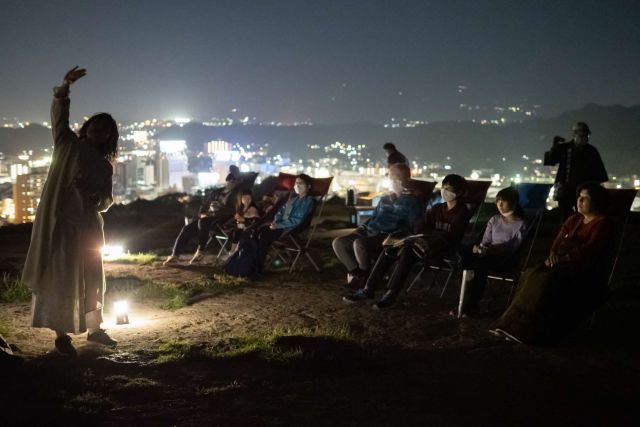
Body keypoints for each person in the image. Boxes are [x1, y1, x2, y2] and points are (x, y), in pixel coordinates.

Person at [21, 66, 119, 355]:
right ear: (87, 127)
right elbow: (58, 116)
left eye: (105, 130)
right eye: (96, 125)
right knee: (62, 277)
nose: (98, 131)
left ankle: (95, 330)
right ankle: (61, 335)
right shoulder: (66, 145)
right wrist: (65, 87)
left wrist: (91, 193)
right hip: (60, 225)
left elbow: (106, 201)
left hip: (88, 227)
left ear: (109, 138)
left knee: (92, 278)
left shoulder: (104, 167)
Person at [491, 182, 613, 344]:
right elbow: (558, 241)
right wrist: (552, 254)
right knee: (530, 273)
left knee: (544, 279)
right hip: (560, 262)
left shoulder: (602, 223)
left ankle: (525, 326)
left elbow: (589, 249)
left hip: (581, 268)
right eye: (579, 197)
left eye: (585, 198)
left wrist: (562, 258)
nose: (580, 200)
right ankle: (509, 320)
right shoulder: (574, 219)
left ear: (597, 202)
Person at [344, 174, 470, 309]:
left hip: (443, 248)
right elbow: (421, 225)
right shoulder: (437, 208)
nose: (445, 192)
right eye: (444, 188)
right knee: (390, 248)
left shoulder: (462, 212)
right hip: (423, 243)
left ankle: (391, 294)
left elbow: (453, 235)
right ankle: (368, 289)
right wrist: (425, 232)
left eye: (449, 189)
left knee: (407, 251)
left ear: (459, 192)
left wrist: (429, 233)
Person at [332, 163, 421, 288]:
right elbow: (374, 218)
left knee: (359, 244)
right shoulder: (385, 199)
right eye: (391, 178)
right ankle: (358, 273)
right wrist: (361, 228)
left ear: (406, 180)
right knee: (339, 243)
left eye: (397, 178)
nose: (393, 181)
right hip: (369, 231)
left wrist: (401, 235)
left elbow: (413, 225)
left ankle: (366, 278)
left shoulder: (412, 202)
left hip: (387, 236)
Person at [455, 186, 527, 317]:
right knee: (466, 256)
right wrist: (480, 247)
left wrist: (495, 249)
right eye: (497, 201)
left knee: (479, 264)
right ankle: (463, 302)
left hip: (504, 259)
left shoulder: (520, 224)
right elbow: (485, 241)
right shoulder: (494, 219)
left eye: (503, 201)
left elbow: (514, 248)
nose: (499, 204)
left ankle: (470, 305)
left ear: (514, 203)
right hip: (488, 253)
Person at [163, 174, 242, 265]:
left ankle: (200, 252)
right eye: (232, 181)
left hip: (221, 221)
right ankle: (175, 255)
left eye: (236, 181)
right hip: (207, 219)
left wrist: (216, 211)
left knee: (203, 222)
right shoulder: (217, 192)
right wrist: (203, 213)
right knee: (187, 228)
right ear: (227, 181)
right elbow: (205, 204)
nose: (234, 183)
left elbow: (235, 210)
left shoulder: (237, 194)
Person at [544, 122, 608, 218]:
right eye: (582, 135)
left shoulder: (591, 151)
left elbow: (599, 174)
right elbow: (550, 160)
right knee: (565, 216)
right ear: (575, 134)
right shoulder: (565, 148)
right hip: (566, 190)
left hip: (583, 192)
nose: (584, 138)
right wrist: (554, 147)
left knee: (582, 216)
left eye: (586, 135)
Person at [254, 174, 316, 273]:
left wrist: (278, 225)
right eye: (296, 183)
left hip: (292, 230)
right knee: (257, 232)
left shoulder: (308, 201)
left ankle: (257, 268)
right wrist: (276, 221)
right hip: (280, 227)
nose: (298, 185)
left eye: (301, 183)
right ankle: (251, 264)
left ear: (308, 186)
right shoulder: (293, 200)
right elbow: (280, 212)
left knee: (263, 236)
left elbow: (297, 220)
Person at [226, 188, 262, 256]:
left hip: (251, 230)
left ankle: (234, 253)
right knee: (235, 231)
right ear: (240, 198)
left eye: (249, 198)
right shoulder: (241, 208)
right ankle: (232, 252)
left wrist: (244, 220)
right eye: (245, 197)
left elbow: (256, 221)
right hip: (241, 228)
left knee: (237, 232)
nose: (247, 200)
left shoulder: (252, 209)